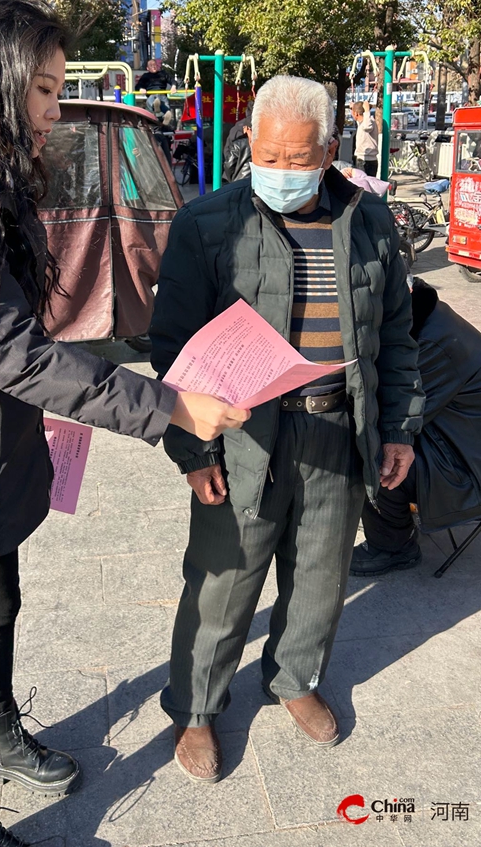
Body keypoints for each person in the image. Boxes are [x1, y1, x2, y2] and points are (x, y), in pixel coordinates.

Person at [0, 0, 248, 847]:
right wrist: (167, 405)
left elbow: (15, 343)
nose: (54, 108)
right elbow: (14, 353)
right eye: (43, 89)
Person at [150, 74, 424, 783]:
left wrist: (398, 428)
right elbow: (173, 348)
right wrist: (193, 450)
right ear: (250, 142)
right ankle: (196, 707)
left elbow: (396, 332)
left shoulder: (369, 220)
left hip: (338, 428)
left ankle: (294, 677)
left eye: (298, 159)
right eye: (267, 155)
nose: (280, 170)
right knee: (222, 581)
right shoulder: (207, 224)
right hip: (245, 436)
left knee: (321, 576)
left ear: (330, 150)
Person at [351, 278, 481, 575]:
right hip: (454, 441)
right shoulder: (428, 319)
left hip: (467, 466)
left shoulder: (431, 343)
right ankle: (386, 519)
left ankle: (394, 547)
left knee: (372, 450)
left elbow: (394, 414)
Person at [223, 99, 254, 182]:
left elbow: (228, 160)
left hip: (239, 177)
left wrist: (233, 177)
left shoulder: (239, 127)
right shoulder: (267, 125)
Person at [351, 100, 379, 176]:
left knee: (363, 182)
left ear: (356, 114)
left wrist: (367, 110)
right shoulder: (363, 122)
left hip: (365, 160)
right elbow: (361, 121)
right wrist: (353, 108)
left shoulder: (369, 122)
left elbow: (367, 127)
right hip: (365, 159)